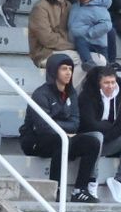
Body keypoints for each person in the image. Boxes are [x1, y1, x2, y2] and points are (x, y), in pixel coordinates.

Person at [18, 54, 101, 203]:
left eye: (70, 68)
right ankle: (57, 190)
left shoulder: (72, 93)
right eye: (64, 69)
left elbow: (75, 123)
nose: (68, 72)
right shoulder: (40, 94)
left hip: (61, 138)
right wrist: (64, 131)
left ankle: (79, 190)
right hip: (36, 141)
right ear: (53, 71)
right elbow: (43, 126)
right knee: (62, 141)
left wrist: (57, 124)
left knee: (92, 143)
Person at [77, 64, 121, 203]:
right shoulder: (87, 96)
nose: (110, 86)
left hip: (106, 141)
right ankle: (92, 182)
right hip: (87, 142)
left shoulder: (118, 97)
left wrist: (105, 134)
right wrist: (107, 129)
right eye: (106, 82)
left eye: (113, 82)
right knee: (96, 137)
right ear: (99, 83)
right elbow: (89, 124)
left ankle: (120, 182)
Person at [28, 0, 78, 69]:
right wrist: (75, 46)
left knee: (99, 59)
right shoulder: (40, 7)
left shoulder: (68, 5)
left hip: (66, 51)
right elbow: (47, 39)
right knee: (86, 60)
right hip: (45, 54)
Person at [69, 0, 119, 71]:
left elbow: (106, 25)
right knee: (80, 41)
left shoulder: (98, 8)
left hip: (96, 44)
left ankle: (89, 62)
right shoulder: (75, 7)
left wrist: (90, 33)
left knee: (104, 70)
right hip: (80, 44)